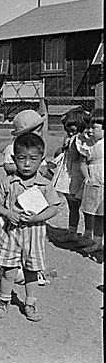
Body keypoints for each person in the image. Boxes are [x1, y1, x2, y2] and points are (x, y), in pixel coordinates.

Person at [0, 133, 60, 322]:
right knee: (9, 270)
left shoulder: (45, 185)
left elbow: (54, 207)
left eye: (33, 159)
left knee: (31, 271)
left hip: (34, 235)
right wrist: (8, 213)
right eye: (21, 159)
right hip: (11, 234)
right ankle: (4, 301)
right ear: (14, 159)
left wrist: (38, 217)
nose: (27, 164)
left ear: (42, 160)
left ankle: (30, 304)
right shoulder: (7, 182)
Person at [51, 108, 90, 243]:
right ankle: (72, 232)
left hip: (77, 176)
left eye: (73, 130)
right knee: (72, 206)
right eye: (68, 130)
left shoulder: (81, 139)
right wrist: (64, 146)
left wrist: (71, 143)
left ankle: (87, 235)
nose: (69, 133)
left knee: (83, 207)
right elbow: (59, 153)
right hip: (70, 175)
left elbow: (75, 156)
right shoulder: (71, 138)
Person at [76, 108, 104, 254]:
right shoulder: (87, 145)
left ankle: (99, 240)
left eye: (94, 127)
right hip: (93, 181)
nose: (91, 130)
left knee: (101, 213)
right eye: (89, 127)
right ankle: (90, 237)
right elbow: (83, 162)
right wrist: (87, 176)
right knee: (91, 211)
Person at [2, 109, 48, 176]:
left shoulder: (36, 146)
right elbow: (7, 166)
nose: (40, 134)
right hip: (17, 181)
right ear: (26, 133)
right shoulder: (13, 147)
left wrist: (43, 168)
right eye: (37, 131)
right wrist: (24, 167)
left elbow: (43, 164)